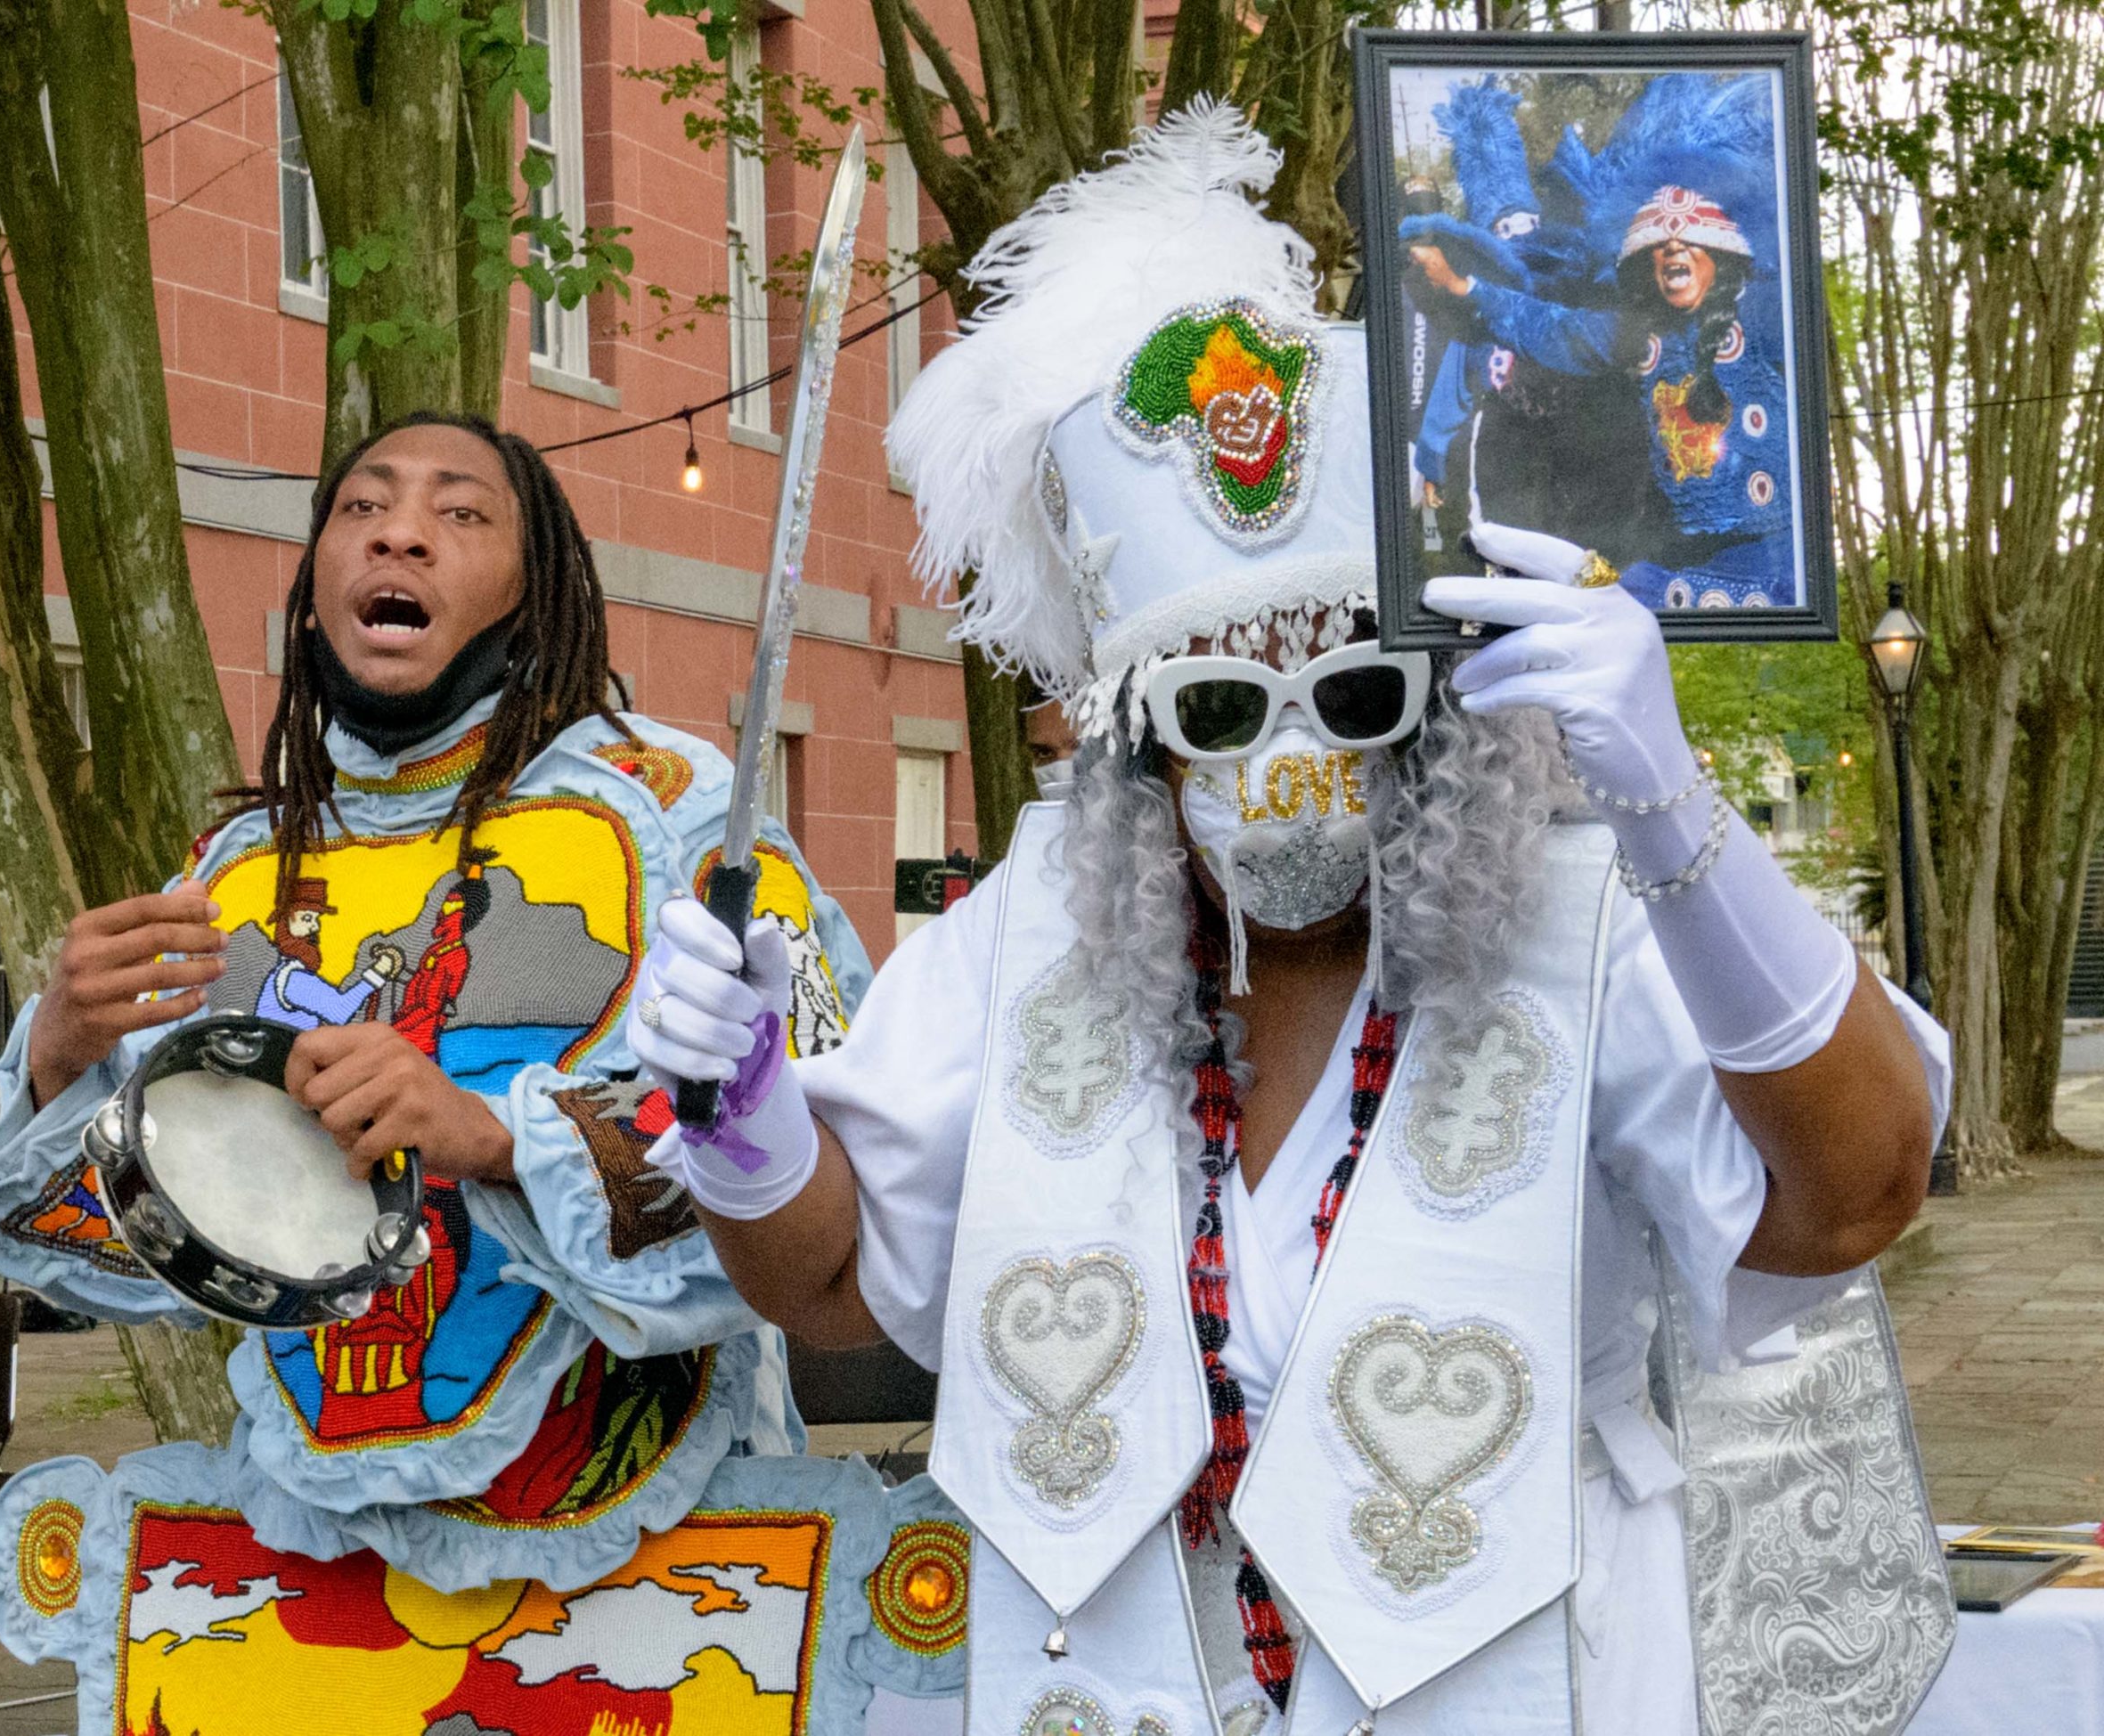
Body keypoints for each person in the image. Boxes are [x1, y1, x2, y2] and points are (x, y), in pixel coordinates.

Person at [624, 105, 1952, 1736]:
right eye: (1219, 702)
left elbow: (1857, 1195)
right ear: (1143, 735)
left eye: (1354, 691)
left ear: (1434, 709)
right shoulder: (1026, 939)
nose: (1289, 753)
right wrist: (744, 1110)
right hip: (1127, 1678)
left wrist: (1671, 809)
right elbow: (835, 1290)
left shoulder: (1592, 910)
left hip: (1542, 1667)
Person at [0, 413, 966, 1732]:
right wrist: (60, 1064)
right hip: (305, 1592)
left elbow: (821, 1159)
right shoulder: (235, 871)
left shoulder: (684, 817)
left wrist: (491, 1136)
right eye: (362, 506)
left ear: (541, 584)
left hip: (651, 1570)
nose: (400, 529)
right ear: (316, 578)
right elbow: (148, 1253)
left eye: (462, 513)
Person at [1403, 73, 1797, 608]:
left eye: (1689, 239)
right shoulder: (1632, 337)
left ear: (1721, 252)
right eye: (1659, 244)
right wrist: (1461, 285)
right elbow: (1547, 327)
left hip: (1770, 559)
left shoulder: (1764, 312)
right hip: (1667, 566)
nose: (1673, 251)